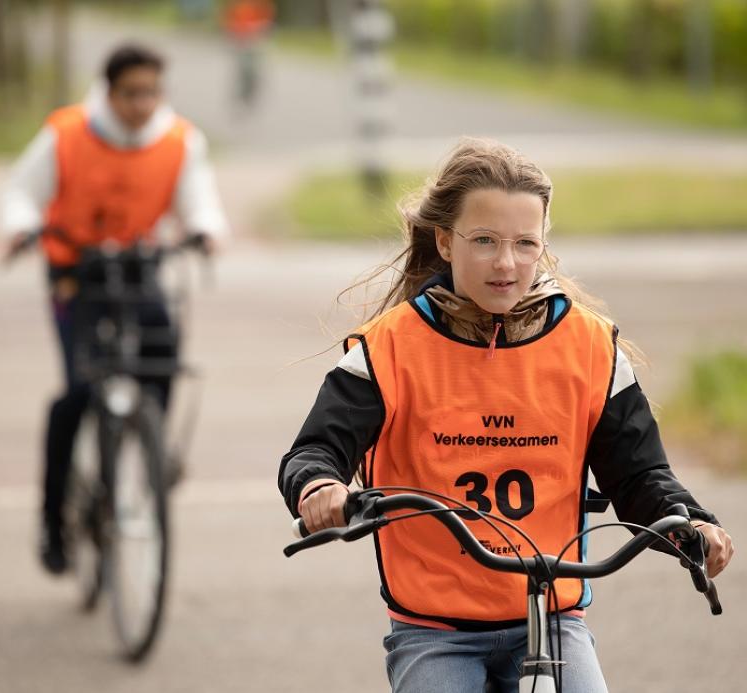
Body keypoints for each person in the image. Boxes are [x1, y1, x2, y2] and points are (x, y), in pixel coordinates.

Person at [278, 139, 734, 692]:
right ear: (445, 241)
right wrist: (318, 486)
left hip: (551, 616)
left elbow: (639, 474)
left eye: (525, 243)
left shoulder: (589, 346)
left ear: (542, 245)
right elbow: (315, 450)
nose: (506, 262)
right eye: (486, 241)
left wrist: (690, 523)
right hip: (435, 630)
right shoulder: (389, 348)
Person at [0, 44, 229, 576]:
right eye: (131, 93)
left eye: (151, 92)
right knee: (78, 391)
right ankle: (53, 519)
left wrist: (206, 229)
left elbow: (199, 199)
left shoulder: (179, 140)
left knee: (164, 356)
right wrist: (21, 225)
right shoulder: (67, 133)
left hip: (137, 267)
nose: (142, 104)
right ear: (108, 91)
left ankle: (151, 444)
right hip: (75, 274)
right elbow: (22, 192)